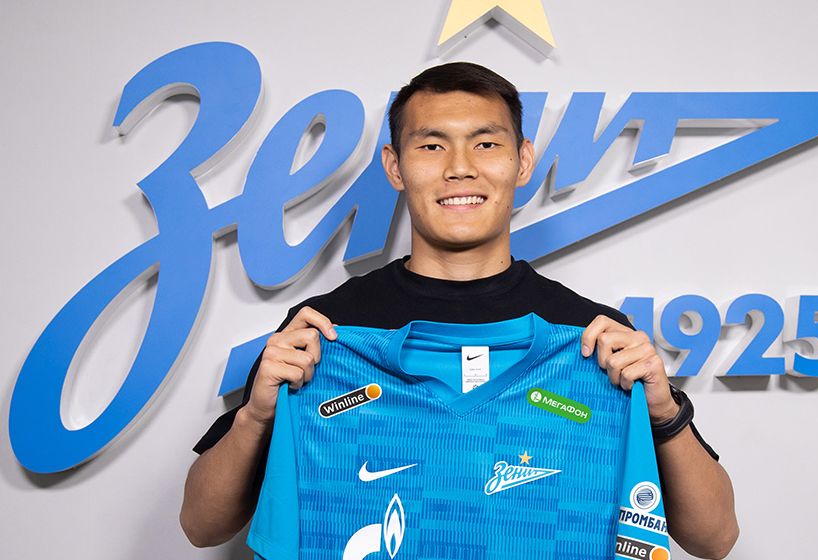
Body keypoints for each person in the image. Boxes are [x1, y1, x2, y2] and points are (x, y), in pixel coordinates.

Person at [180, 62, 738, 559]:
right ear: (395, 167)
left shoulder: (594, 338)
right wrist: (256, 418)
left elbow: (714, 540)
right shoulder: (325, 334)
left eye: (486, 144)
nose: (460, 168)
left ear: (523, 161)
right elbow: (202, 527)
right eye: (431, 146)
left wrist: (662, 412)